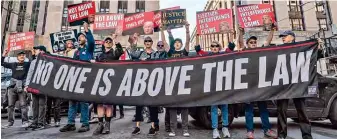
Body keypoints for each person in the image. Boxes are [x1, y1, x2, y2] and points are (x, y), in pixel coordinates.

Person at [194, 31, 235, 138]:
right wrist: (197, 36)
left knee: (225, 106)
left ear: (219, 47)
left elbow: (231, 46)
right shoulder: (207, 55)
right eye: (212, 46)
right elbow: (198, 50)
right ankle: (215, 129)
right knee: (213, 107)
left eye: (216, 46)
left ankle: (225, 127)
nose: (214, 47)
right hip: (212, 86)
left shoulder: (223, 54)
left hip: (223, 85)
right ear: (210, 48)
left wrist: (230, 33)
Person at [238, 26, 278, 139]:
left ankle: (267, 130)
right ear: (248, 44)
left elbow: (268, 41)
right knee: (249, 110)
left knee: (263, 109)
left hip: (260, 86)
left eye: (255, 42)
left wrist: (272, 30)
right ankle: (250, 131)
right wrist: (240, 32)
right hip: (249, 87)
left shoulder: (261, 50)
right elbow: (240, 43)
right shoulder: (245, 51)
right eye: (251, 42)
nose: (254, 43)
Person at [59, 21, 94, 133]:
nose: (80, 38)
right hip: (75, 79)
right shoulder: (76, 52)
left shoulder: (88, 49)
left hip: (85, 79)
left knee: (83, 102)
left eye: (82, 36)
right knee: (72, 102)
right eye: (79, 37)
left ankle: (85, 123)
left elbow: (92, 42)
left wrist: (86, 30)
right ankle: (71, 123)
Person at [277, 30, 312, 139]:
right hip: (284, 84)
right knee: (281, 111)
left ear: (292, 37)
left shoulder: (300, 48)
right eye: (282, 36)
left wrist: (317, 46)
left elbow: (312, 56)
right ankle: (281, 135)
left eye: (285, 36)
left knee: (301, 110)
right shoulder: (279, 49)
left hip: (298, 84)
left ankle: (306, 135)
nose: (283, 38)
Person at [127, 33, 160, 136]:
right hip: (141, 82)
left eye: (149, 41)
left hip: (152, 83)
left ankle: (153, 126)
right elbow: (132, 53)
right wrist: (135, 42)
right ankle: (137, 127)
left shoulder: (156, 54)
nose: (147, 43)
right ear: (144, 43)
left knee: (153, 106)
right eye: (146, 41)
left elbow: (160, 65)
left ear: (152, 43)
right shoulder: (140, 53)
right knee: (139, 106)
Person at [92, 35, 123, 135]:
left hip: (111, 83)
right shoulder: (99, 56)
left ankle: (107, 125)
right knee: (100, 104)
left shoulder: (114, 53)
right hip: (100, 83)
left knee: (109, 104)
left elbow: (120, 51)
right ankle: (100, 124)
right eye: (107, 41)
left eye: (110, 41)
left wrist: (116, 41)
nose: (108, 42)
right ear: (104, 43)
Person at [166, 21, 191, 137]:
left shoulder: (184, 52)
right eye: (175, 42)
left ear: (180, 45)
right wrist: (164, 30)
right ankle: (173, 130)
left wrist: (187, 29)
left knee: (184, 107)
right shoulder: (170, 53)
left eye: (178, 42)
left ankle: (185, 129)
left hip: (183, 83)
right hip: (172, 83)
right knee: (172, 108)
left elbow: (188, 41)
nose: (177, 44)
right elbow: (166, 43)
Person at [1, 49, 30, 128]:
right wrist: (4, 54)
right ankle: (10, 122)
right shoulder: (13, 64)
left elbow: (35, 63)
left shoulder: (27, 64)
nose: (22, 56)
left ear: (25, 57)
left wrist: (34, 54)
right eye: (20, 55)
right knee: (10, 106)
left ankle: (25, 122)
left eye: (23, 55)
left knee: (23, 105)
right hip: (12, 87)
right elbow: (2, 63)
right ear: (17, 57)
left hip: (22, 87)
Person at [24, 46, 48, 130]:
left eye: (37, 50)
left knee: (42, 105)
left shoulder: (48, 61)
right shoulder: (33, 62)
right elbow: (30, 73)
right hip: (34, 86)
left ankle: (41, 123)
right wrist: (27, 85)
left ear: (42, 51)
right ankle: (35, 122)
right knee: (34, 105)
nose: (35, 51)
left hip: (43, 86)